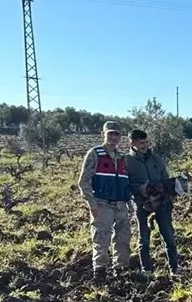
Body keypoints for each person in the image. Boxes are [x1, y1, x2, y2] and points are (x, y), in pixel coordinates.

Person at [77, 121, 132, 282]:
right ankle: (99, 272)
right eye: (111, 133)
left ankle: (121, 271)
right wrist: (92, 204)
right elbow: (84, 182)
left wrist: (129, 203)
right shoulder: (95, 154)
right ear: (104, 134)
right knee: (101, 238)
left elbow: (126, 182)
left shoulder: (122, 157)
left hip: (121, 205)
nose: (114, 137)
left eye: (117, 134)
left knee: (123, 239)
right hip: (102, 204)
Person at [125, 128, 180, 275]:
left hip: (162, 203)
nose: (145, 146)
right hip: (142, 205)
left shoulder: (156, 159)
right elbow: (126, 184)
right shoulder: (127, 161)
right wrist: (139, 189)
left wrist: (170, 190)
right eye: (141, 143)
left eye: (147, 142)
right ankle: (146, 270)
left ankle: (175, 269)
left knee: (168, 235)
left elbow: (165, 178)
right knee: (144, 238)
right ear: (132, 142)